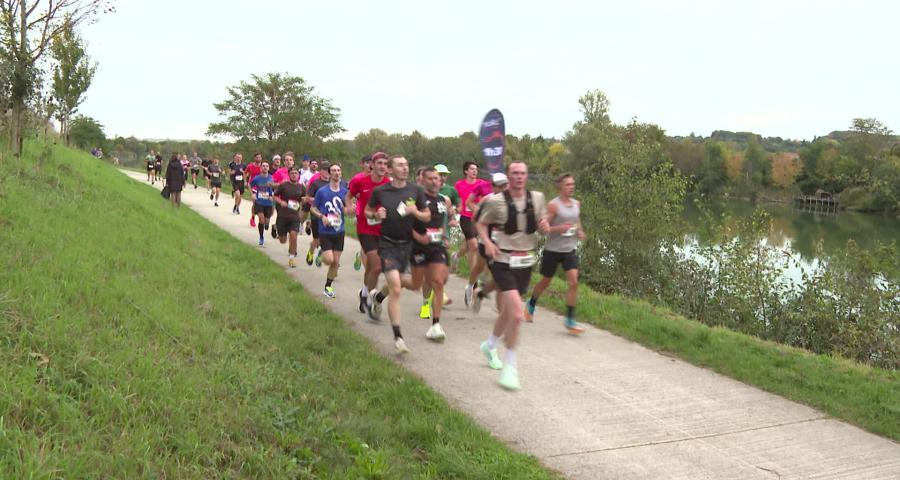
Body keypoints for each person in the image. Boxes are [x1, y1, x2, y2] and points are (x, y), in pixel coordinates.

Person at [476, 161, 549, 390]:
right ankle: (510, 368)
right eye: (515, 173)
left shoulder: (537, 198)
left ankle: (489, 345)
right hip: (501, 259)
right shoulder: (496, 201)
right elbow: (480, 223)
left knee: (508, 313)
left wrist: (544, 225)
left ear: (527, 176)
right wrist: (487, 242)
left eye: (523, 173)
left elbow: (539, 223)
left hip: (524, 260)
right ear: (508, 176)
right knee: (517, 314)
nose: (519, 177)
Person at [365, 155, 430, 353]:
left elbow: (426, 215)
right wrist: (376, 214)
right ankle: (398, 337)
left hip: (408, 245)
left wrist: (415, 212)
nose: (404, 168)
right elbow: (367, 211)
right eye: (400, 165)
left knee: (410, 285)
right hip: (387, 244)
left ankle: (377, 298)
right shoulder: (380, 191)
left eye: (406, 164)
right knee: (396, 288)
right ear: (391, 170)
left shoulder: (416, 190)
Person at [524, 174, 586, 334]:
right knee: (545, 281)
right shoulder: (553, 205)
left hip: (569, 250)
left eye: (573, 184)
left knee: (573, 282)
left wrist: (579, 231)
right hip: (552, 250)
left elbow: (576, 221)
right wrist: (559, 229)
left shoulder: (576, 204)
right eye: (568, 184)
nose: (571, 187)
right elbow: (544, 230)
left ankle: (570, 319)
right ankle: (531, 303)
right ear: (560, 187)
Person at [410, 167, 452, 342]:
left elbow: (441, 220)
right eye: (431, 178)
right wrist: (419, 236)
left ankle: (435, 325)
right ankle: (380, 294)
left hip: (436, 246)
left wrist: (443, 234)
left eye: (437, 178)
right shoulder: (414, 199)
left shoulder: (443, 200)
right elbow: (403, 223)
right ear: (423, 180)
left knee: (439, 281)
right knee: (415, 283)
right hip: (418, 247)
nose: (435, 181)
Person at [348, 152, 390, 313]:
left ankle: (364, 293)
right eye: (379, 163)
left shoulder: (389, 183)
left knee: (373, 267)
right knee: (376, 265)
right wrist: (349, 206)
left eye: (385, 164)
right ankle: (372, 301)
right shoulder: (360, 181)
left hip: (384, 230)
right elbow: (349, 195)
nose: (382, 167)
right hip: (365, 228)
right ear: (372, 164)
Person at [311, 163, 353, 297]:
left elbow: (349, 209)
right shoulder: (322, 191)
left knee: (335, 262)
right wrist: (321, 216)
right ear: (329, 173)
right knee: (329, 260)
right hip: (325, 231)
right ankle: (322, 253)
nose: (336, 173)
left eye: (338, 170)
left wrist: (350, 210)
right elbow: (313, 207)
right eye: (333, 170)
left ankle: (328, 287)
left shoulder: (345, 192)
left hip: (339, 231)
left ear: (341, 173)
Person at [470, 172, 509, 314]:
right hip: (487, 244)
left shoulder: (512, 201)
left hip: (505, 245)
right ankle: (473, 287)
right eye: (500, 186)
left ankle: (482, 293)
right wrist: (484, 237)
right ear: (494, 187)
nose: (504, 188)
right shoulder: (488, 200)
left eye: (506, 185)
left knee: (500, 279)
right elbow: (475, 219)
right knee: (492, 274)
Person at [454, 161, 491, 304]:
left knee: (469, 245)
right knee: (474, 246)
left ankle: (456, 255)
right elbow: (455, 199)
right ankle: (473, 283)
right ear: (465, 171)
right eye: (471, 169)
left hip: (479, 219)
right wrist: (456, 207)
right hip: (465, 218)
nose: (475, 171)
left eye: (476, 169)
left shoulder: (482, 184)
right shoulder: (459, 185)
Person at [273, 166, 307, 268]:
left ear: (299, 175)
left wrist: (304, 203)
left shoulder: (302, 187)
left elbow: (303, 200)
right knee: (283, 240)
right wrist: (281, 201)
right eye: (292, 173)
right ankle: (275, 228)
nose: (294, 175)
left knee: (293, 236)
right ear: (289, 174)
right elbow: (274, 196)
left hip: (294, 217)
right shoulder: (283, 185)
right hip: (283, 216)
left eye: (296, 173)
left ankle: (291, 258)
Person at [303, 161, 331, 265]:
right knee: (317, 240)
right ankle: (311, 252)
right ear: (321, 171)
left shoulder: (332, 183)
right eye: (325, 170)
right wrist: (318, 199)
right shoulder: (316, 183)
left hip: (329, 216)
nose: (327, 172)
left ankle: (321, 253)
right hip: (316, 214)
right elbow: (308, 197)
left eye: (329, 170)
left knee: (328, 238)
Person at [249, 161, 275, 246]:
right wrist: (252, 194)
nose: (265, 167)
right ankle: (261, 237)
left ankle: (267, 224)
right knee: (261, 219)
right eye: (263, 166)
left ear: (268, 168)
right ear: (261, 168)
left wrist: (273, 195)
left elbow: (276, 188)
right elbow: (249, 185)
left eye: (267, 166)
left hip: (268, 202)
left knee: (266, 221)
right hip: (259, 201)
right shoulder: (257, 178)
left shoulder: (272, 178)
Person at [270, 152, 296, 239]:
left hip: (293, 201)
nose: (289, 162)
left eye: (290, 160)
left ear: (293, 162)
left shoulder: (296, 172)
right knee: (282, 217)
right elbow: (271, 184)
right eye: (286, 160)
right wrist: (281, 184)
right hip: (281, 200)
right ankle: (279, 229)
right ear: (284, 162)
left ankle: (276, 226)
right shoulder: (279, 172)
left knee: (291, 219)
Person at [245, 153, 263, 227]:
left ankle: (261, 217)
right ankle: (253, 218)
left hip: (261, 187)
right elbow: (245, 173)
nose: (258, 159)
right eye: (257, 157)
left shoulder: (263, 166)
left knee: (261, 203)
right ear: (254, 158)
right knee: (255, 203)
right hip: (253, 186)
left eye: (259, 157)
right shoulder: (250, 166)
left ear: (261, 158)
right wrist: (245, 181)